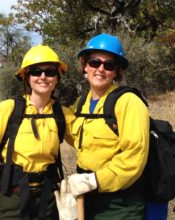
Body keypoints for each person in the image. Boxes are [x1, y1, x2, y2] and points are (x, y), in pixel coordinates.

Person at [0, 45, 75, 220]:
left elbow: (87, 143)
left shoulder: (62, 113)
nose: (43, 77)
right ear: (27, 77)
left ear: (57, 78)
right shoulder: (9, 109)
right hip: (12, 198)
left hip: (49, 199)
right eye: (36, 71)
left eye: (50, 72)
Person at [67, 33, 150, 219]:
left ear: (116, 72)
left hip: (120, 205)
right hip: (86, 199)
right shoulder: (81, 104)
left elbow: (134, 156)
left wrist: (94, 180)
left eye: (109, 65)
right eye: (95, 62)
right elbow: (70, 131)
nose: (100, 69)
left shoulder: (128, 102)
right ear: (85, 67)